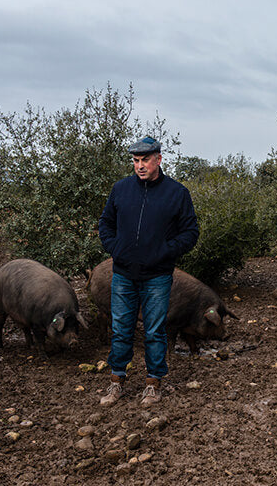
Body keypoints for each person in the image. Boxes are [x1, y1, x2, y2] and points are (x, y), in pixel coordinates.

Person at [97, 136, 199, 406]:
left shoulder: (177, 193)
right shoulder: (121, 190)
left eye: (145, 160)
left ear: (158, 160)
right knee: (121, 330)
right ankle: (116, 382)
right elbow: (105, 224)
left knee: (154, 331)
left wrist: (165, 252)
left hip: (158, 276)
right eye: (135, 161)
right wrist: (116, 248)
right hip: (123, 274)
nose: (139, 166)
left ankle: (153, 384)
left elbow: (190, 233)